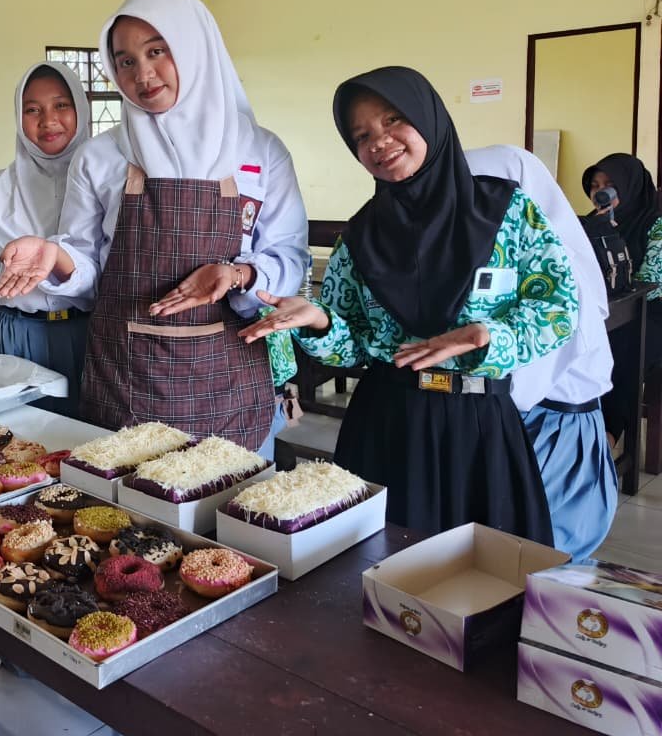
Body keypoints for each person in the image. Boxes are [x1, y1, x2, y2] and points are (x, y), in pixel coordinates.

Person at [242, 66, 577, 544]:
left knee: (492, 578)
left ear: (430, 119)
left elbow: (559, 307)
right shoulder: (360, 237)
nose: (378, 141)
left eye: (393, 120)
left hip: (480, 427)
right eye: (361, 135)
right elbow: (353, 344)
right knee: (377, 574)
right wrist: (319, 323)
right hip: (387, 423)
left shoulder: (507, 211)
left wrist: (489, 336)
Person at [0, 0, 309, 458]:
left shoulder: (260, 151)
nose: (142, 74)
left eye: (157, 51)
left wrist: (237, 274)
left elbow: (289, 259)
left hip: (228, 379)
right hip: (128, 382)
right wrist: (56, 256)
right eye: (124, 61)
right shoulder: (100, 157)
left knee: (234, 521)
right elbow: (87, 272)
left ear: (194, 47)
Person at [467, 145, 616, 561]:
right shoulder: (518, 252)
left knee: (541, 545)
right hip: (541, 419)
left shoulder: (556, 263)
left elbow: (534, 371)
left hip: (557, 429)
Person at [0, 62, 92, 417]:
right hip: (13, 338)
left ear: (81, 111)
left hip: (87, 337)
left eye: (61, 106)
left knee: (86, 450)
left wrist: (56, 257)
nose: (48, 120)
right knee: (13, 444)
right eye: (32, 110)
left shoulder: (107, 182)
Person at [583, 152, 662, 449]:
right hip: (604, 312)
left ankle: (608, 434)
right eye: (595, 184)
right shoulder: (587, 224)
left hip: (651, 312)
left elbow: (653, 285)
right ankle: (575, 426)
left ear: (630, 187)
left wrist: (615, 242)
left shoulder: (655, 225)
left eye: (610, 183)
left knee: (626, 346)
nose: (600, 191)